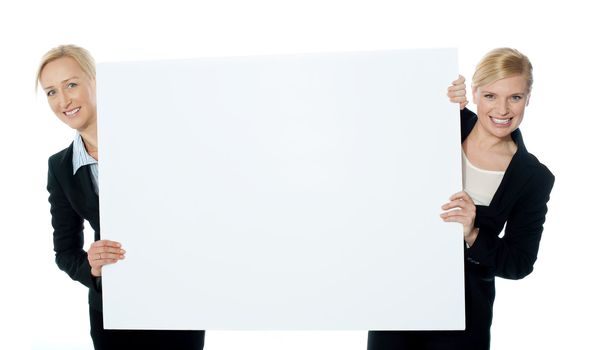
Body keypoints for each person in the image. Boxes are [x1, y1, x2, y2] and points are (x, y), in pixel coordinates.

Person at [368, 48, 555, 350]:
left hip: (465, 317)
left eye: (515, 97)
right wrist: (435, 91)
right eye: (491, 95)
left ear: (528, 98)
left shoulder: (533, 176)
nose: (503, 109)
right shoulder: (443, 124)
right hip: (398, 298)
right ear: (475, 92)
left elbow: (519, 263)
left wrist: (472, 232)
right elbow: (387, 115)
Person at [38, 44, 205, 350]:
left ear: (97, 81)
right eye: (50, 91)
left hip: (177, 301)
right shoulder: (59, 166)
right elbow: (64, 252)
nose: (63, 100)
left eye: (71, 84)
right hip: (112, 313)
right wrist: (92, 266)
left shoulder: (155, 140)